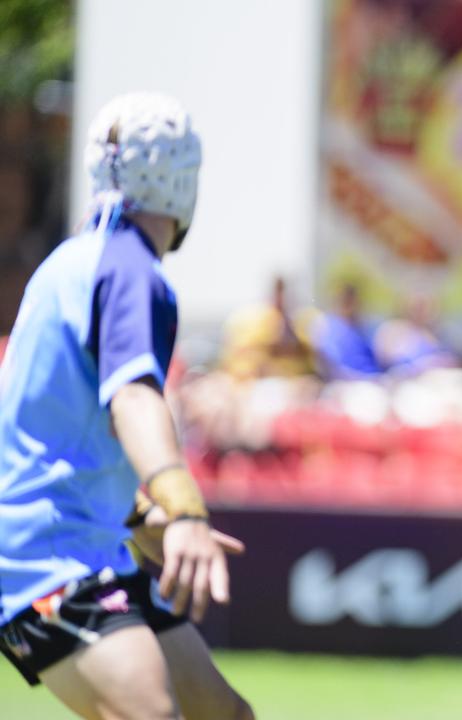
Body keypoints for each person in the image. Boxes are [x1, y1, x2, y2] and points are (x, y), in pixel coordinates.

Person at [0, 93, 253, 719]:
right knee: (148, 714)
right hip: (45, 554)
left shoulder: (70, 264)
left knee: (221, 715)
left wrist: (141, 516)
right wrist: (184, 507)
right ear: (183, 180)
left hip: (95, 543)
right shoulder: (131, 271)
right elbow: (132, 398)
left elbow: (54, 430)